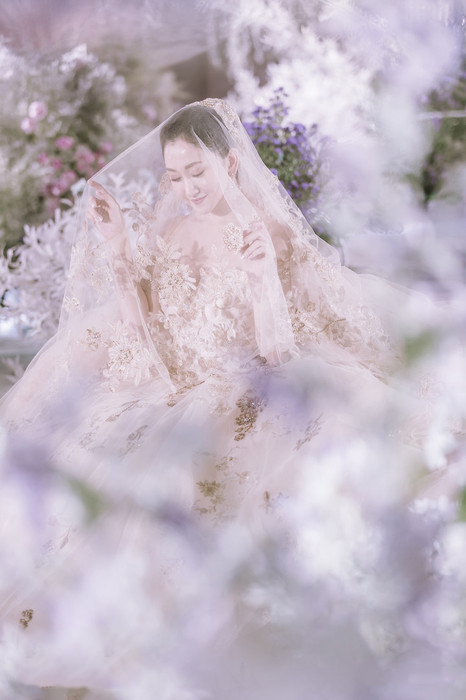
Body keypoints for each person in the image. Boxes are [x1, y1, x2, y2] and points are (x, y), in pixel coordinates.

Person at [0, 99, 444, 696]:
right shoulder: (172, 228)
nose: (186, 188)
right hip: (174, 385)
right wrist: (118, 247)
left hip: (243, 386)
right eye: (174, 175)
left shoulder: (269, 233)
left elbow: (277, 352)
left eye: (197, 172)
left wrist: (261, 278)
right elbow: (144, 332)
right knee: (90, 470)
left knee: (197, 487)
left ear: (231, 163)